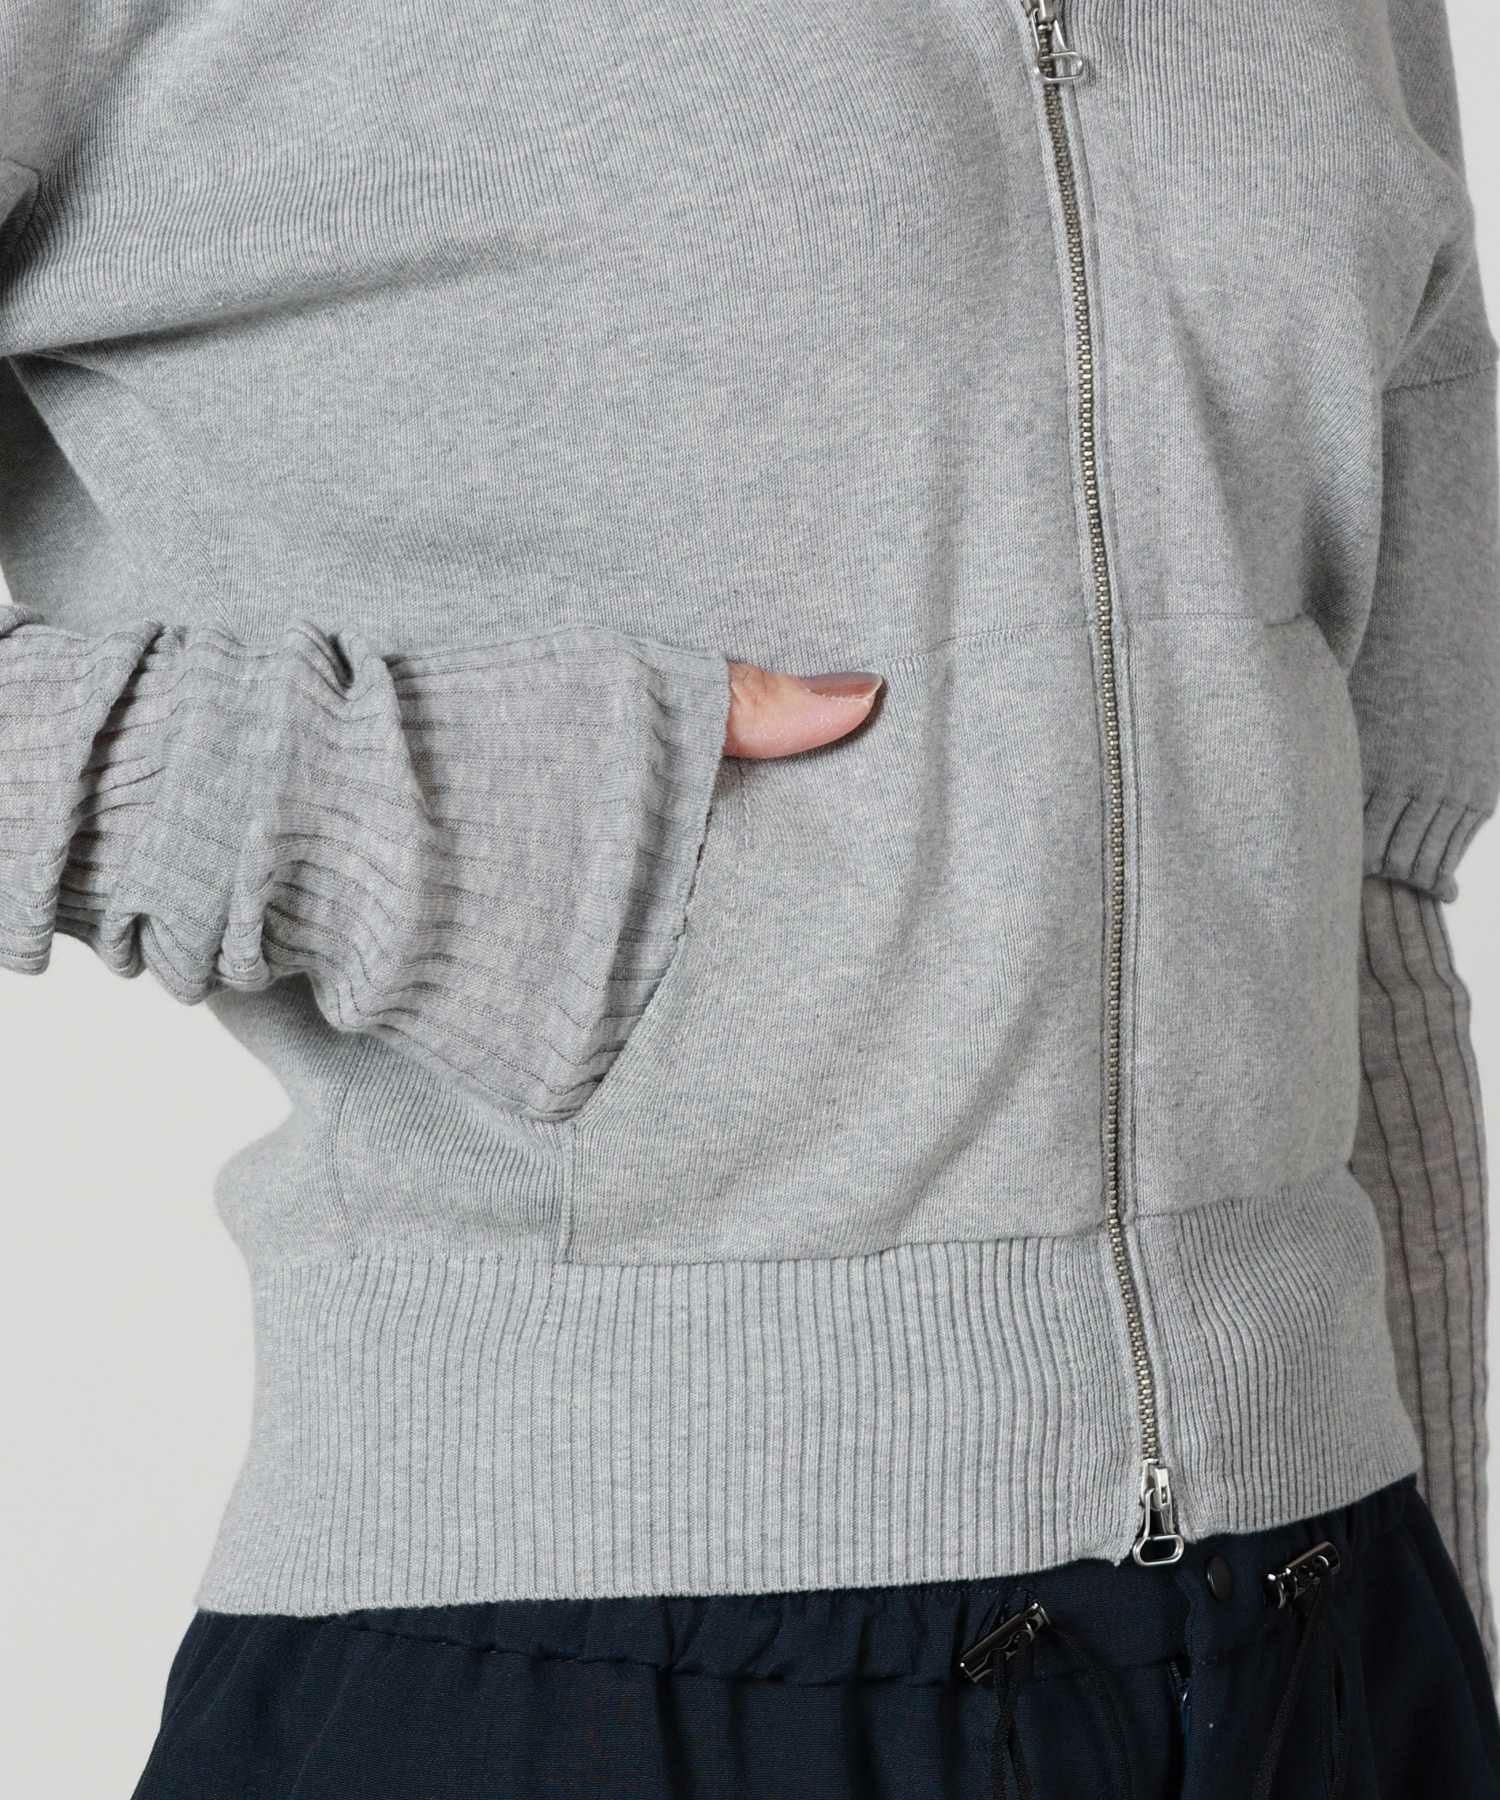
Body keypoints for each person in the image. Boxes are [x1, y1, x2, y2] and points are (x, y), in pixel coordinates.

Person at [3, 1, 1499, 1794]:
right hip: (577, 1662)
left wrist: (1449, 1607)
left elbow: (1367, 891)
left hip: (1340, 1632)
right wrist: (380, 803)